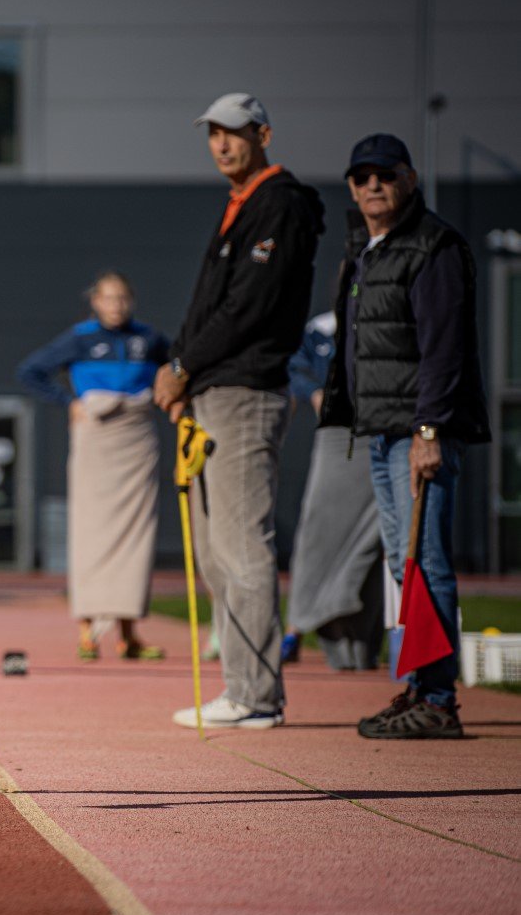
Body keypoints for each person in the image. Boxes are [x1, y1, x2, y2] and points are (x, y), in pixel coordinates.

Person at [154, 93, 324, 731]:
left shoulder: (280, 202)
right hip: (210, 392)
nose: (223, 144)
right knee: (213, 550)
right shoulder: (241, 204)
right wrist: (183, 373)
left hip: (244, 391)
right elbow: (212, 307)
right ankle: (242, 686)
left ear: (264, 135)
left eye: (235, 133)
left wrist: (180, 368)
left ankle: (257, 694)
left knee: (242, 546)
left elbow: (251, 305)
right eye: (214, 135)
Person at [319, 134, 489, 739]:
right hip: (383, 431)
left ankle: (439, 699)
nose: (371, 187)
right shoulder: (370, 250)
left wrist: (428, 430)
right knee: (404, 563)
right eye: (360, 177)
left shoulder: (432, 245)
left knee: (429, 563)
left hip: (419, 431)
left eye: (383, 176)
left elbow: (443, 348)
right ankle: (420, 686)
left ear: (409, 180)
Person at [18, 271, 168, 661]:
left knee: (138, 534)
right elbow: (30, 371)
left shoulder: (149, 339)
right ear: (95, 302)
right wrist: (69, 402)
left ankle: (129, 633)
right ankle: (88, 631)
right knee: (90, 533)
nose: (116, 306)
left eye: (122, 298)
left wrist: (171, 397)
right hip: (96, 440)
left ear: (131, 301)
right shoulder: (80, 337)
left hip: (137, 441)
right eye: (108, 298)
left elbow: (176, 369)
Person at [284, 312, 383, 671]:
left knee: (373, 547)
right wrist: (313, 391)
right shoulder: (320, 328)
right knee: (316, 536)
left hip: (383, 433)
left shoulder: (390, 319)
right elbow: (295, 366)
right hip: (336, 433)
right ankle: (295, 628)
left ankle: (362, 650)